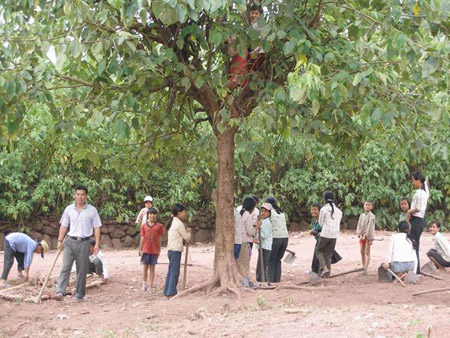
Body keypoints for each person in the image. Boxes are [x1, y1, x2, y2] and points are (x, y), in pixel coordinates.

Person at [53, 185, 102, 302]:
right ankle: (60, 291)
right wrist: (60, 240)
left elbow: (97, 227)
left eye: (82, 194)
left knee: (82, 269)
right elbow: (64, 225)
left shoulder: (92, 210)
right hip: (70, 242)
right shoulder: (69, 209)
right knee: (66, 267)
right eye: (78, 194)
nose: (80, 197)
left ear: (86, 196)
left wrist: (96, 244)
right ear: (75, 195)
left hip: (84, 243)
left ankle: (79, 295)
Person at [163, 203, 191, 298]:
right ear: (179, 213)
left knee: (171, 270)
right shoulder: (179, 224)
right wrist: (189, 232)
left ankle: (167, 291)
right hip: (176, 250)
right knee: (174, 271)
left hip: (171, 250)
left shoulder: (172, 222)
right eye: (183, 212)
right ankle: (171, 292)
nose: (184, 213)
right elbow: (186, 237)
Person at [309, 203, 342, 275]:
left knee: (321, 256)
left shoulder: (323, 220)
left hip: (323, 240)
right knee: (317, 257)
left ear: (320, 211)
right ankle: (316, 272)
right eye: (312, 210)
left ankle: (322, 272)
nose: (313, 211)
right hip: (320, 240)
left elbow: (321, 230)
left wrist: (315, 232)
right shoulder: (316, 220)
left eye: (315, 210)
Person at [316, 191, 342, 278]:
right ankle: (327, 275)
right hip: (334, 235)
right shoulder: (339, 211)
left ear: (324, 199)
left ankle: (324, 268)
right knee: (328, 255)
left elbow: (320, 223)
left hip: (325, 234)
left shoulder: (323, 209)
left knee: (319, 251)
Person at [407, 171, 429, 274]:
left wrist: (409, 211)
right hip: (417, 220)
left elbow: (419, 208)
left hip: (417, 220)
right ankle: (416, 268)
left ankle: (416, 269)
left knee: (414, 244)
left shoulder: (420, 193)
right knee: (414, 243)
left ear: (418, 180)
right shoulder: (423, 192)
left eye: (413, 180)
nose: (413, 183)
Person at [265, 196, 289, 283]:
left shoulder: (270, 212)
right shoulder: (281, 212)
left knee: (271, 260)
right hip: (285, 238)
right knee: (278, 260)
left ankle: (270, 281)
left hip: (275, 238)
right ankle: (277, 280)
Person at [140, 208, 164, 292]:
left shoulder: (159, 226)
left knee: (152, 268)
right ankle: (144, 284)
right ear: (148, 215)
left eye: (154, 214)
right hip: (146, 250)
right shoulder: (144, 226)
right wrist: (140, 249)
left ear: (156, 215)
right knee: (145, 267)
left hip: (154, 250)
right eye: (150, 214)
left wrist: (159, 249)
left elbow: (159, 238)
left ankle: (150, 286)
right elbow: (142, 237)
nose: (152, 215)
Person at [236, 197, 257, 287]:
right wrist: (257, 227)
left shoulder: (238, 214)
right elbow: (250, 231)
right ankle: (245, 283)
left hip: (237, 241)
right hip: (244, 241)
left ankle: (241, 281)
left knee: (239, 262)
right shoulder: (247, 215)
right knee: (245, 263)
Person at [356, 200, 376, 275]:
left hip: (368, 236)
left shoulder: (372, 216)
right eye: (366, 205)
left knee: (367, 252)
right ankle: (363, 266)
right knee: (361, 251)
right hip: (361, 236)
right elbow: (359, 225)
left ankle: (366, 268)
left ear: (372, 207)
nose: (367, 206)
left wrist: (366, 235)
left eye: (369, 205)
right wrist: (359, 234)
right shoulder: (362, 215)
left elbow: (370, 227)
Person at [254, 203, 273, 282]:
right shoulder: (262, 221)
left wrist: (256, 238)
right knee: (260, 264)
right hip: (262, 246)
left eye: (265, 211)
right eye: (262, 211)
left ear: (269, 213)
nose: (263, 213)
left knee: (263, 265)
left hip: (265, 247)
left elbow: (264, 235)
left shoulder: (267, 223)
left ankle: (264, 280)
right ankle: (259, 279)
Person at [247, 4, 265, 72]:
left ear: (260, 15)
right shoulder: (250, 25)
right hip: (253, 52)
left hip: (258, 52)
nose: (254, 15)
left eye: (256, 14)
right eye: (252, 13)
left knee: (253, 70)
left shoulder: (259, 25)